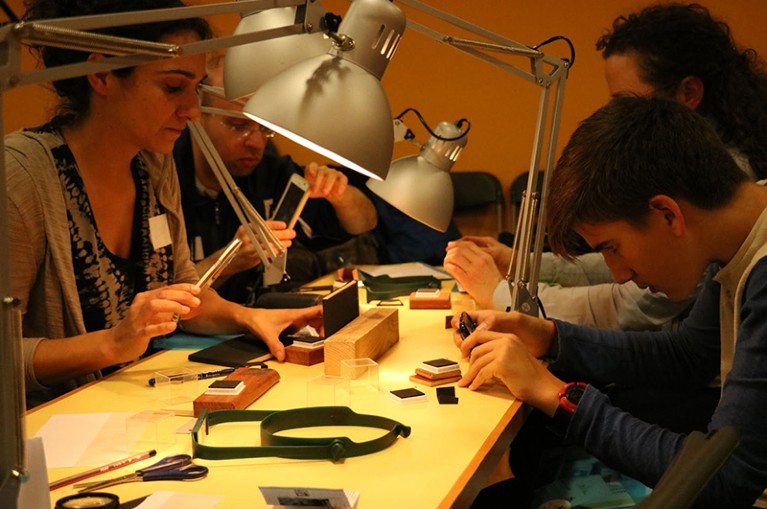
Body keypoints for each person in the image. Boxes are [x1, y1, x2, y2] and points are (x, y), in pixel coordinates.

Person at [456, 96, 767, 508]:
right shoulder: (739, 233)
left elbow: (723, 481)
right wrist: (551, 337)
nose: (619, 273)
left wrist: (555, 395)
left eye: (612, 248)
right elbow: (690, 355)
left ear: (667, 214)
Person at [9, 0, 322, 406]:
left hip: (136, 409)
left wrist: (248, 317)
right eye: (173, 87)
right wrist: (113, 343)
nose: (192, 111)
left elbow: (184, 292)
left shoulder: (153, 165)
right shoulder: (22, 178)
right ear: (102, 74)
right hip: (55, 434)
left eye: (195, 89)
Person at [444, 3, 767, 331]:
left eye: (627, 101)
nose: (621, 273)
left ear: (689, 93)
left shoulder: (720, 190)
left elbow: (632, 307)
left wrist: (500, 294)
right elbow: (630, 261)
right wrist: (522, 264)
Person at [174, 54, 378, 303]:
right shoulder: (162, 182)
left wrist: (340, 194)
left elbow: (364, 222)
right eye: (238, 125)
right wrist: (227, 260)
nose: (256, 143)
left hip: (253, 327)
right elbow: (159, 296)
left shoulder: (272, 173)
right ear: (197, 114)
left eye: (265, 129)